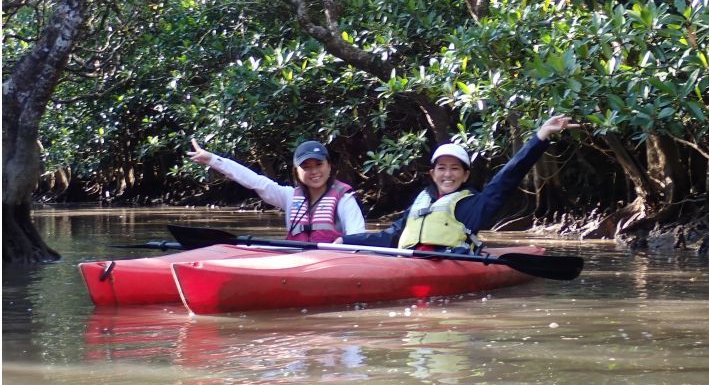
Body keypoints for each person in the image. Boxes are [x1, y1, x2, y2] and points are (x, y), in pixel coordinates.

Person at [336, 115, 579, 253]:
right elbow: (390, 236)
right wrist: (345, 241)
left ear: (465, 175)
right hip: (408, 260)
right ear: (432, 173)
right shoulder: (420, 203)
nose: (448, 175)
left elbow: (508, 177)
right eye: (442, 168)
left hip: (450, 262)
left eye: (455, 169)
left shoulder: (476, 205)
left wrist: (540, 137)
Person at [187, 138, 365, 242]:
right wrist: (212, 159)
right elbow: (255, 181)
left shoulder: (344, 200)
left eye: (319, 165)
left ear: (329, 166)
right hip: (297, 261)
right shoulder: (289, 196)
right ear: (296, 171)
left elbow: (359, 237)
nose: (314, 172)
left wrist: (343, 244)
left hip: (333, 262)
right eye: (306, 167)